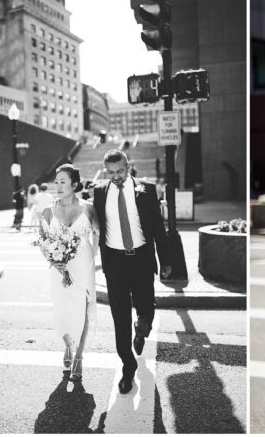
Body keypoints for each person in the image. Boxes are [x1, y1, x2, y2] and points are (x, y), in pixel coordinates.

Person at [94, 149, 171, 395]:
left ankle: (143, 329)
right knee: (119, 317)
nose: (116, 176)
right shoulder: (99, 192)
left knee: (146, 307)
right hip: (114, 263)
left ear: (129, 167)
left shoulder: (147, 190)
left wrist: (166, 260)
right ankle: (128, 365)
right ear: (106, 171)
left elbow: (159, 228)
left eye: (120, 171)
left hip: (142, 259)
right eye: (111, 173)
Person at [36, 164, 98, 382]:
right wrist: (52, 259)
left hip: (83, 267)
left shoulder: (88, 208)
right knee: (62, 311)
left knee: (82, 309)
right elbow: (42, 241)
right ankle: (68, 345)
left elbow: (98, 232)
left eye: (63, 181)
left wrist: (94, 256)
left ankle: (79, 356)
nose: (58, 186)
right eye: (57, 181)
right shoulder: (47, 210)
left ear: (74, 184)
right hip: (58, 269)